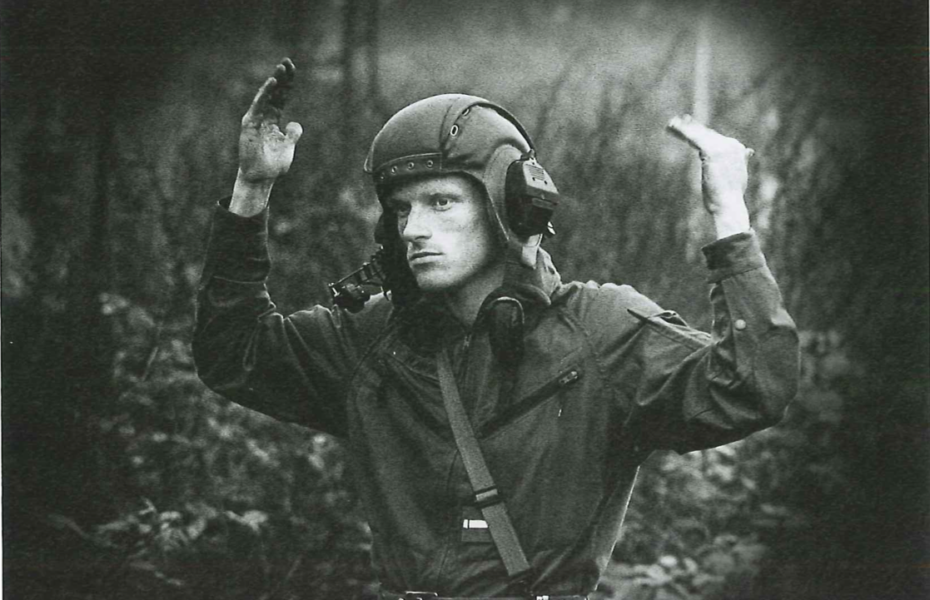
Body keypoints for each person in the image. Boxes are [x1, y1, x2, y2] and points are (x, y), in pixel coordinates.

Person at [193, 58, 799, 600]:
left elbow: (750, 387)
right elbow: (234, 354)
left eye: (441, 202)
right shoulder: (372, 339)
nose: (413, 229)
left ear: (509, 205)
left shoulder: (599, 333)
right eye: (401, 209)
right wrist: (252, 188)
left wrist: (729, 216)